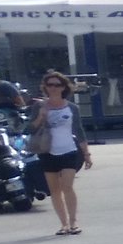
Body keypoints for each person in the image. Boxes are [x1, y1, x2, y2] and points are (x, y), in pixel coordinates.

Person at [28, 71, 91, 235]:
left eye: (57, 85)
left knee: (67, 187)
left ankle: (73, 222)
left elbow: (79, 130)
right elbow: (31, 128)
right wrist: (40, 117)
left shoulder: (71, 107)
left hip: (69, 150)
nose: (54, 88)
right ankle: (63, 224)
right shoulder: (39, 106)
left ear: (64, 87)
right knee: (55, 190)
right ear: (45, 87)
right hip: (47, 151)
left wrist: (86, 154)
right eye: (50, 85)